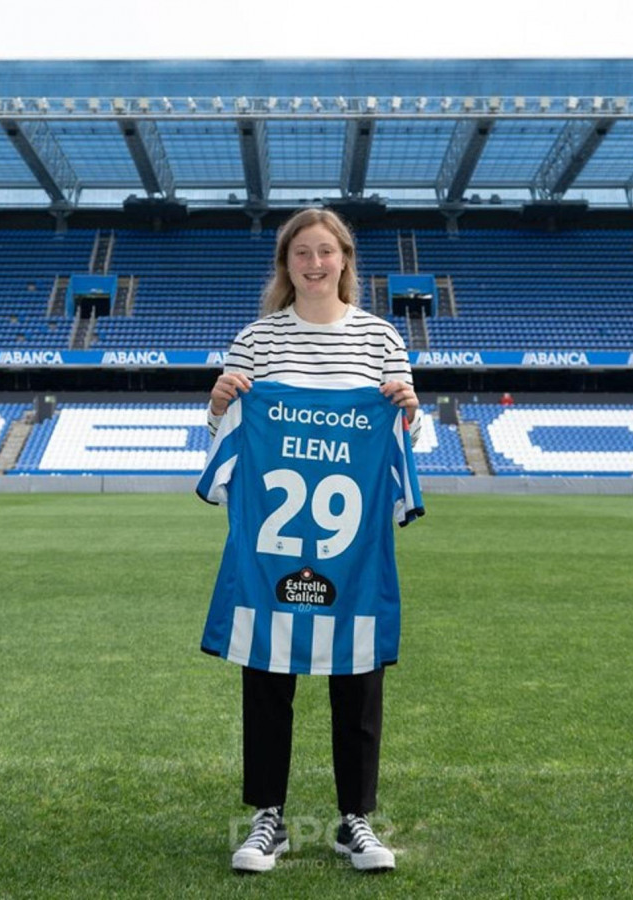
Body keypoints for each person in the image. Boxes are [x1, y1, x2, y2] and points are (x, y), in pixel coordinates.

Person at [203, 207, 422, 874]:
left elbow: (407, 442)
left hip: (352, 543)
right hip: (273, 539)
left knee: (356, 676)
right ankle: (268, 817)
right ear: (286, 265)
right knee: (267, 672)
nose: (315, 263)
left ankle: (354, 820)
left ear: (345, 260)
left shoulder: (382, 339)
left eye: (326, 251)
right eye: (302, 253)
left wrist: (407, 413)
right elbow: (223, 434)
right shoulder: (256, 339)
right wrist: (217, 405)